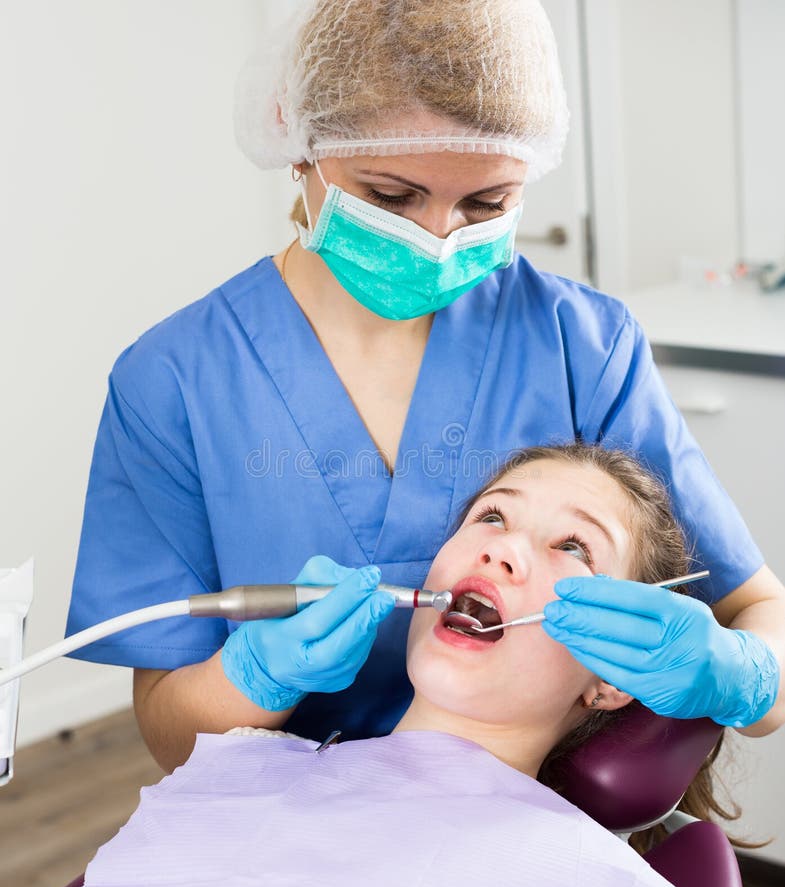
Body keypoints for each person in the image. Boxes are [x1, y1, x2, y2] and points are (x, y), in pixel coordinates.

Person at [64, 0, 783, 775]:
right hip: (286, 833)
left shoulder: (581, 343)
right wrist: (255, 678)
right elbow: (174, 738)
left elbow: (754, 611)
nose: (438, 239)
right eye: (390, 197)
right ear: (295, 138)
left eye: (485, 204)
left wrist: (740, 676)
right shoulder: (173, 381)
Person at [75, 445, 705, 887]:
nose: (501, 547)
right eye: (492, 516)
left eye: (574, 547)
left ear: (612, 676)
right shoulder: (235, 770)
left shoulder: (593, 881)